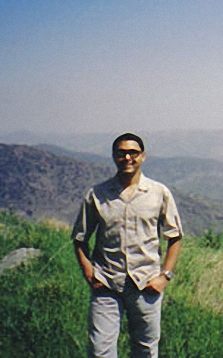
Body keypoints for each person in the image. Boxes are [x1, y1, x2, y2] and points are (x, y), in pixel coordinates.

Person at [72, 132, 183, 358]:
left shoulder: (158, 193)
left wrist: (165, 276)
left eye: (133, 153)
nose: (127, 158)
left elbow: (175, 236)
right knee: (99, 350)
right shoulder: (98, 194)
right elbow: (79, 238)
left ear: (143, 156)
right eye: (121, 153)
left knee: (145, 349)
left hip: (146, 283)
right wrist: (89, 272)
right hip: (107, 283)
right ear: (114, 156)